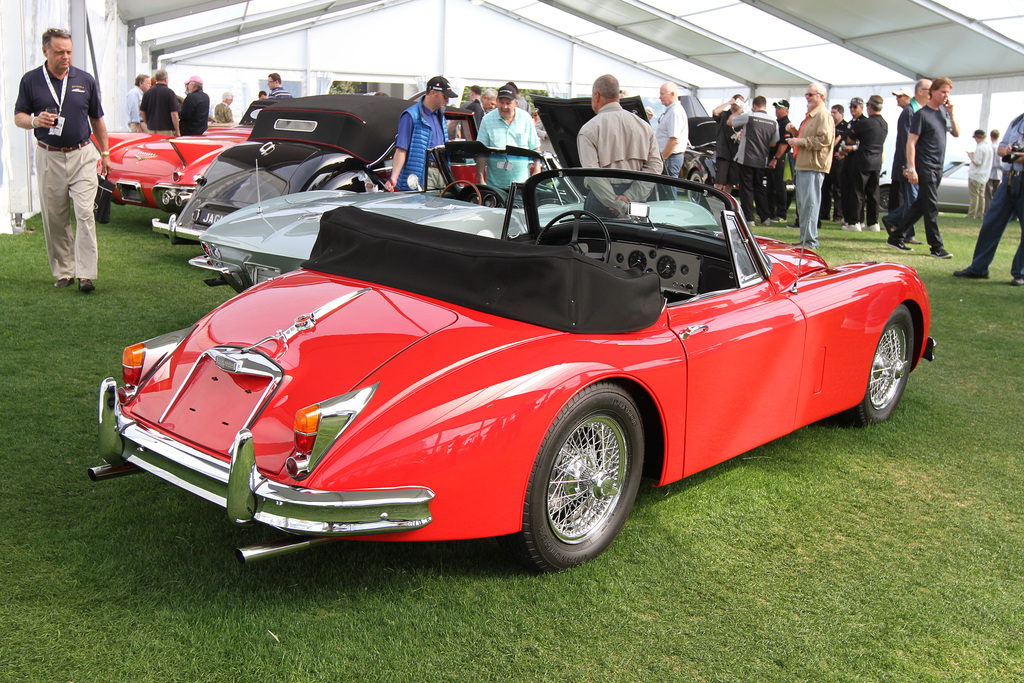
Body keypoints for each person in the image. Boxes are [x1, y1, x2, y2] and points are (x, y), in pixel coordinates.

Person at [14, 27, 111, 293]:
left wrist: (105, 153)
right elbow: (18, 116)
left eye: (69, 51)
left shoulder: (85, 80)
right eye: (59, 52)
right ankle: (64, 272)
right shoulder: (31, 80)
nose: (65, 57)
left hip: (82, 154)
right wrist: (34, 120)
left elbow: (97, 119)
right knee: (55, 217)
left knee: (84, 214)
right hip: (48, 156)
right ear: (45, 51)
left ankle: (86, 274)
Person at [888, 78, 960, 258]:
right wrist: (911, 168)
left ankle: (896, 235)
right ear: (932, 92)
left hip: (938, 166)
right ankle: (936, 247)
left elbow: (956, 133)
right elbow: (910, 142)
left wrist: (952, 114)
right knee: (931, 206)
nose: (946, 96)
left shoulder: (943, 112)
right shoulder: (921, 114)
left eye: (948, 92)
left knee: (920, 205)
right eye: (943, 92)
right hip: (925, 165)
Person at [576, 74, 662, 216]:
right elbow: (655, 167)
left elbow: (592, 173)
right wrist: (629, 197)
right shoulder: (644, 127)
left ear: (596, 96)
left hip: (601, 202)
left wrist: (617, 204)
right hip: (636, 202)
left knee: (597, 239)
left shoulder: (589, 129)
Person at [954, 113, 1024, 285]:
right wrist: (1009, 152)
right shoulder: (1017, 121)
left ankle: (1020, 273)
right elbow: (1001, 150)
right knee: (991, 223)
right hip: (1009, 178)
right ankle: (979, 268)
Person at [785, 82, 835, 250]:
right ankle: (805, 239)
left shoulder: (823, 115)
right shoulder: (812, 115)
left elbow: (824, 140)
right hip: (804, 164)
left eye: (811, 95)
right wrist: (794, 133)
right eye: (807, 94)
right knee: (803, 204)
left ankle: (810, 241)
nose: (807, 97)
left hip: (813, 165)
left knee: (810, 204)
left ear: (821, 96)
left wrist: (799, 141)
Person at [386, 75, 455, 192]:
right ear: (433, 93)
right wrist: (393, 178)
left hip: (441, 172)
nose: (447, 100)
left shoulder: (440, 116)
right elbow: (401, 149)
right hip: (422, 174)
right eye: (445, 96)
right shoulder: (411, 115)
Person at [882, 81, 930, 244]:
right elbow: (906, 142)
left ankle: (894, 221)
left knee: (914, 200)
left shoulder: (911, 113)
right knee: (914, 200)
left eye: (900, 96)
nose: (897, 99)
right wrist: (908, 166)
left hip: (911, 165)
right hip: (909, 165)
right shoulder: (909, 113)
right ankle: (905, 232)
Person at [476, 82, 540, 187]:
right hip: (495, 186)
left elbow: (535, 148)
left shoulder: (526, 118)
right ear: (496, 102)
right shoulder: (487, 120)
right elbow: (481, 152)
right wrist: (481, 180)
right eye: (501, 102)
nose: (504, 107)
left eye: (508, 103)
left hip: (522, 184)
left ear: (515, 103)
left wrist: (537, 171)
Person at [729, 95, 778, 226]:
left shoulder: (749, 116)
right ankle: (765, 217)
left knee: (746, 189)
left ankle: (749, 218)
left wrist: (739, 111)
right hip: (762, 159)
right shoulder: (773, 121)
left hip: (746, 157)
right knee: (759, 187)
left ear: (755, 106)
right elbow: (774, 142)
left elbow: (730, 122)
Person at [843, 94, 888, 232]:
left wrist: (856, 142)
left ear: (869, 106)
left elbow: (850, 139)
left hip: (863, 160)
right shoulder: (884, 123)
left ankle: (855, 222)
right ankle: (873, 222)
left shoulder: (866, 123)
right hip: (877, 161)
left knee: (857, 191)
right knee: (874, 192)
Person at [838, 97, 866, 229]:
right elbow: (845, 140)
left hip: (858, 160)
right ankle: (848, 218)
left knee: (856, 191)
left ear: (861, 107)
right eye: (851, 107)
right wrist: (842, 149)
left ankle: (857, 219)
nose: (852, 109)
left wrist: (853, 147)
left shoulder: (864, 122)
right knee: (846, 189)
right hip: (847, 159)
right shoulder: (850, 123)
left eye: (855, 107)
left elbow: (863, 142)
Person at [711, 94, 745, 194]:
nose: (740, 104)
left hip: (735, 155)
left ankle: (726, 203)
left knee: (730, 183)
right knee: (719, 182)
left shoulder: (741, 118)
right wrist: (729, 102)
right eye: (739, 102)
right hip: (724, 153)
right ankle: (715, 200)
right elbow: (715, 112)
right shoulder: (724, 115)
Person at [820, 104, 847, 225]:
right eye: (831, 112)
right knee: (825, 188)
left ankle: (838, 214)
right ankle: (824, 213)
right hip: (827, 160)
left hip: (838, 160)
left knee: (838, 188)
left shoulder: (845, 126)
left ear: (841, 114)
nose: (832, 115)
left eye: (835, 112)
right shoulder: (829, 125)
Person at [655, 81, 688, 179]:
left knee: (668, 189)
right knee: (666, 188)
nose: (660, 97)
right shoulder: (672, 111)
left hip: (671, 157)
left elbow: (674, 140)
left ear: (672, 94)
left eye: (662, 94)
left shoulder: (675, 112)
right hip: (670, 157)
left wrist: (662, 159)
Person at [767, 100, 793, 221]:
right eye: (776, 107)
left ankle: (781, 214)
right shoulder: (777, 123)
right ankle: (771, 213)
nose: (777, 109)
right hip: (773, 157)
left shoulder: (786, 124)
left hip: (781, 158)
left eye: (779, 108)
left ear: (786, 110)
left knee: (779, 186)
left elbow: (784, 144)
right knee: (771, 186)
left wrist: (775, 158)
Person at [139, 69, 179, 136]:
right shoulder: (170, 93)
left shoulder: (147, 93)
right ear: (166, 79)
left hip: (151, 128)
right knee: (164, 146)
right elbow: (174, 114)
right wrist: (177, 130)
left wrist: (148, 123)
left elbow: (142, 112)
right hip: (166, 129)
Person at [966, 129, 993, 218]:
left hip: (976, 174)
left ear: (978, 137)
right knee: (981, 196)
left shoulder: (980, 148)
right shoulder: (989, 147)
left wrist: (971, 157)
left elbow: (977, 162)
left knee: (974, 196)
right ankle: (979, 214)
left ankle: (972, 214)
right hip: (984, 175)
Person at [985, 129, 1002, 214]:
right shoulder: (999, 147)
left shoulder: (990, 147)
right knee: (997, 195)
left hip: (990, 173)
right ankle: (996, 211)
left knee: (988, 195)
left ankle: (988, 211)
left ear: (991, 136)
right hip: (998, 174)